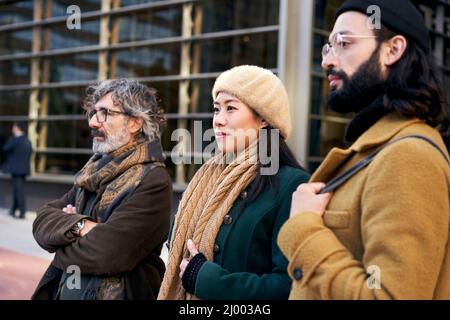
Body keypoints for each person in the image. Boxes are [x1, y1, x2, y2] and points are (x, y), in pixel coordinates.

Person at [278, 0, 450, 300]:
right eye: (327, 47)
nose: (328, 61)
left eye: (344, 43)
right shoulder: (378, 148)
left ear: (393, 49)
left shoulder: (408, 157)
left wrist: (304, 229)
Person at [158, 65, 310, 300]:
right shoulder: (207, 179)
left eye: (230, 108)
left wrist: (207, 279)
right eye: (216, 109)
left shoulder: (292, 185)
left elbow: (290, 286)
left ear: (263, 119)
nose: (218, 120)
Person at [32, 79, 172, 300]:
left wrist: (62, 237)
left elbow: (108, 253)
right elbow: (41, 221)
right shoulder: (93, 172)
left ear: (135, 123)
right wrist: (81, 225)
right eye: (94, 113)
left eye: (105, 113)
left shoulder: (153, 179)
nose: (94, 123)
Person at [2, 122, 32, 219]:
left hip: (16, 170)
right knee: (17, 190)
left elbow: (5, 148)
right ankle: (13, 209)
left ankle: (22, 212)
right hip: (23, 170)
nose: (12, 130)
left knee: (18, 191)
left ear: (18, 129)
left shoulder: (15, 140)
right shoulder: (27, 141)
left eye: (14, 128)